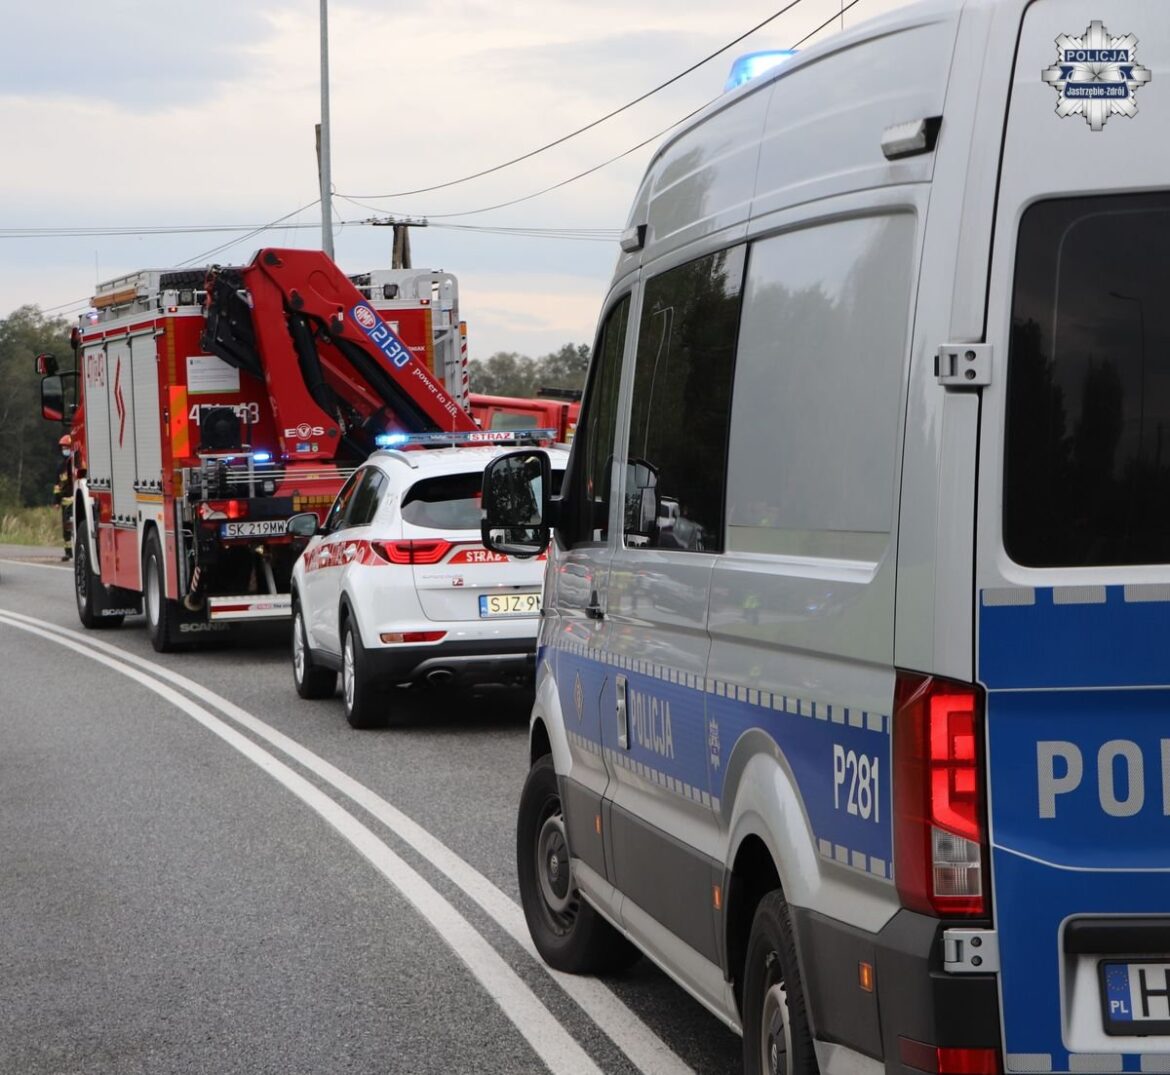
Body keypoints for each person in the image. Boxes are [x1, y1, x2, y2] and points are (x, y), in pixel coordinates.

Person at [53, 434, 73, 561]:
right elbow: (57, 486)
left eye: (67, 447)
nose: (64, 450)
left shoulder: (76, 464)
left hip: (77, 501)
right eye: (63, 447)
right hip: (66, 502)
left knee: (76, 528)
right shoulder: (60, 467)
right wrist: (56, 501)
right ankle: (68, 552)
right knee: (66, 529)